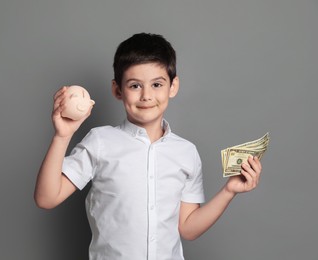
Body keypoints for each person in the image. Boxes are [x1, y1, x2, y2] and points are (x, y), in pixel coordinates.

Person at [34, 33, 263, 260]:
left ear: (173, 87)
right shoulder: (100, 141)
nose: (146, 96)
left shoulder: (186, 153)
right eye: (135, 85)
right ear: (117, 90)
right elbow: (47, 198)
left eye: (156, 84)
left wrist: (229, 190)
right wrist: (62, 137)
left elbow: (188, 228)